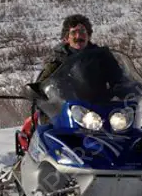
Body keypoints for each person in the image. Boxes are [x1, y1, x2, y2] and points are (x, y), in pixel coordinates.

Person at [16, 14, 98, 153]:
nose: (79, 36)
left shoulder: (101, 58)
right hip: (63, 110)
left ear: (89, 36)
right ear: (66, 38)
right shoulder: (57, 60)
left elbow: (120, 76)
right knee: (48, 131)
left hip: (97, 110)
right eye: (74, 32)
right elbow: (43, 81)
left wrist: (136, 89)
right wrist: (40, 90)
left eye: (83, 32)